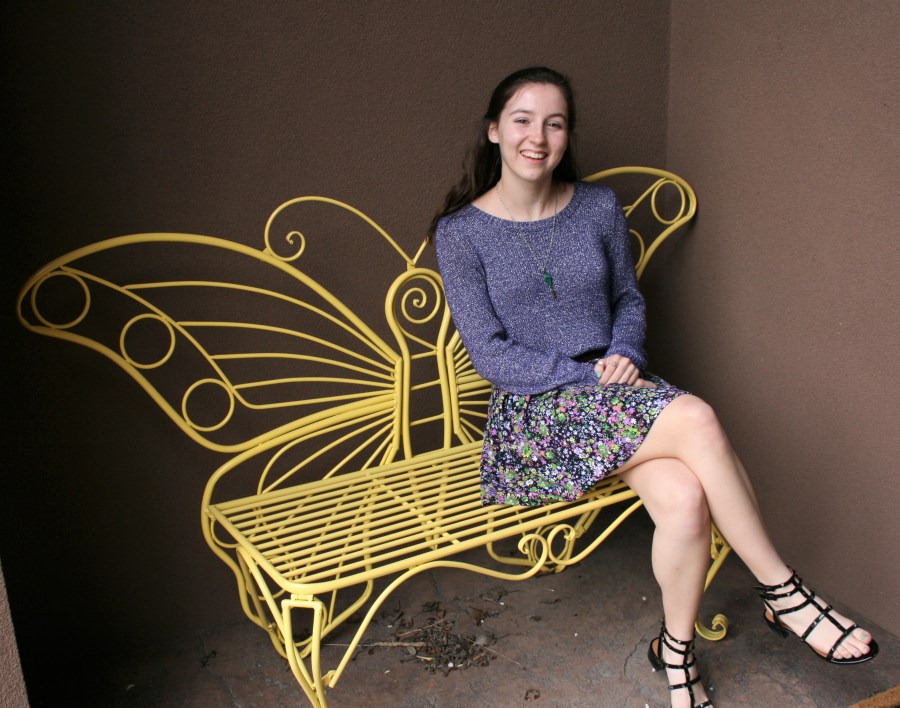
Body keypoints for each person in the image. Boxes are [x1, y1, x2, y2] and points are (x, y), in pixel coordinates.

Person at [430, 66, 877, 708]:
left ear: (567, 136)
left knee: (686, 497)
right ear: (494, 130)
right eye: (523, 120)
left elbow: (626, 298)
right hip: (539, 414)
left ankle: (675, 652)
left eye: (555, 123)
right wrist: (588, 374)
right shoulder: (462, 232)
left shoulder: (597, 207)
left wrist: (623, 351)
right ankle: (785, 594)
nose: (538, 136)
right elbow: (489, 355)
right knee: (694, 418)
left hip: (619, 391)